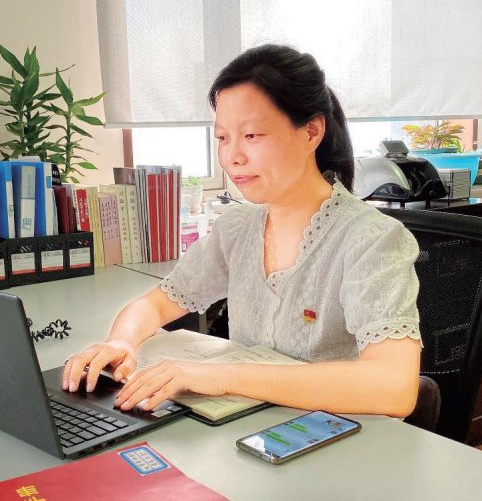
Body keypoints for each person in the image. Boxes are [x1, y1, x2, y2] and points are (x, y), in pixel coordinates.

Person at [64, 44, 421, 418]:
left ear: (312, 132)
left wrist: (220, 376)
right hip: (246, 430)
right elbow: (155, 304)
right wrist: (121, 342)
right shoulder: (237, 229)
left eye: (251, 135)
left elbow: (393, 387)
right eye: (222, 138)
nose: (233, 157)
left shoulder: (372, 239)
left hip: (337, 433)